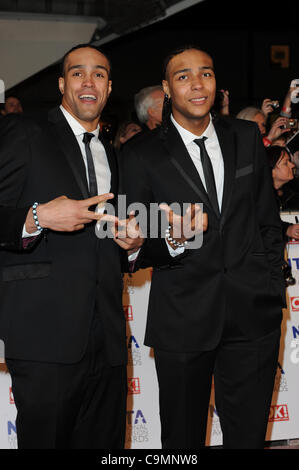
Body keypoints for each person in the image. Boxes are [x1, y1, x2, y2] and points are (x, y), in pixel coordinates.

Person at [119, 45, 286, 449]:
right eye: (183, 76)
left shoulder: (246, 137)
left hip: (253, 314)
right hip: (183, 317)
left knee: (247, 436)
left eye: (206, 74)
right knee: (182, 439)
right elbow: (132, 244)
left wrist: (268, 284)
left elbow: (266, 220)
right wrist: (174, 238)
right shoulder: (138, 154)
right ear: (167, 88)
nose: (197, 84)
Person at [0, 44, 131, 449]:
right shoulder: (24, 131)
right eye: (77, 73)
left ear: (109, 88)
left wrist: (131, 241)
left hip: (107, 339)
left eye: (99, 75)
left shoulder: (112, 152)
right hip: (44, 334)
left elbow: (107, 242)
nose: (88, 82)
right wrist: (38, 217)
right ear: (62, 83)